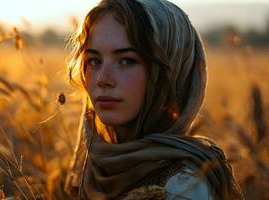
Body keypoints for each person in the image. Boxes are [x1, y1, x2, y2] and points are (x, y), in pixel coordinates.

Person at [64, 0, 244, 199]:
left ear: (171, 73)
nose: (102, 79)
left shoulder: (183, 188)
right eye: (94, 61)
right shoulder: (92, 167)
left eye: (126, 61)